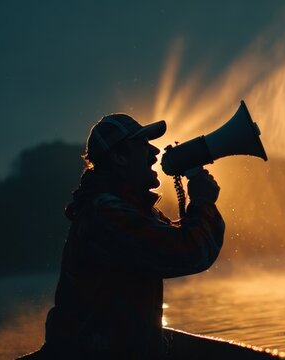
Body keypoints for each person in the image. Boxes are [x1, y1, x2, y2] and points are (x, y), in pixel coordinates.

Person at [18, 114, 225, 359]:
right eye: (142, 144)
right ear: (119, 157)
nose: (154, 151)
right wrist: (201, 202)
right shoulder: (107, 215)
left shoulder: (124, 209)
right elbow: (189, 252)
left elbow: (186, 241)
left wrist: (201, 204)